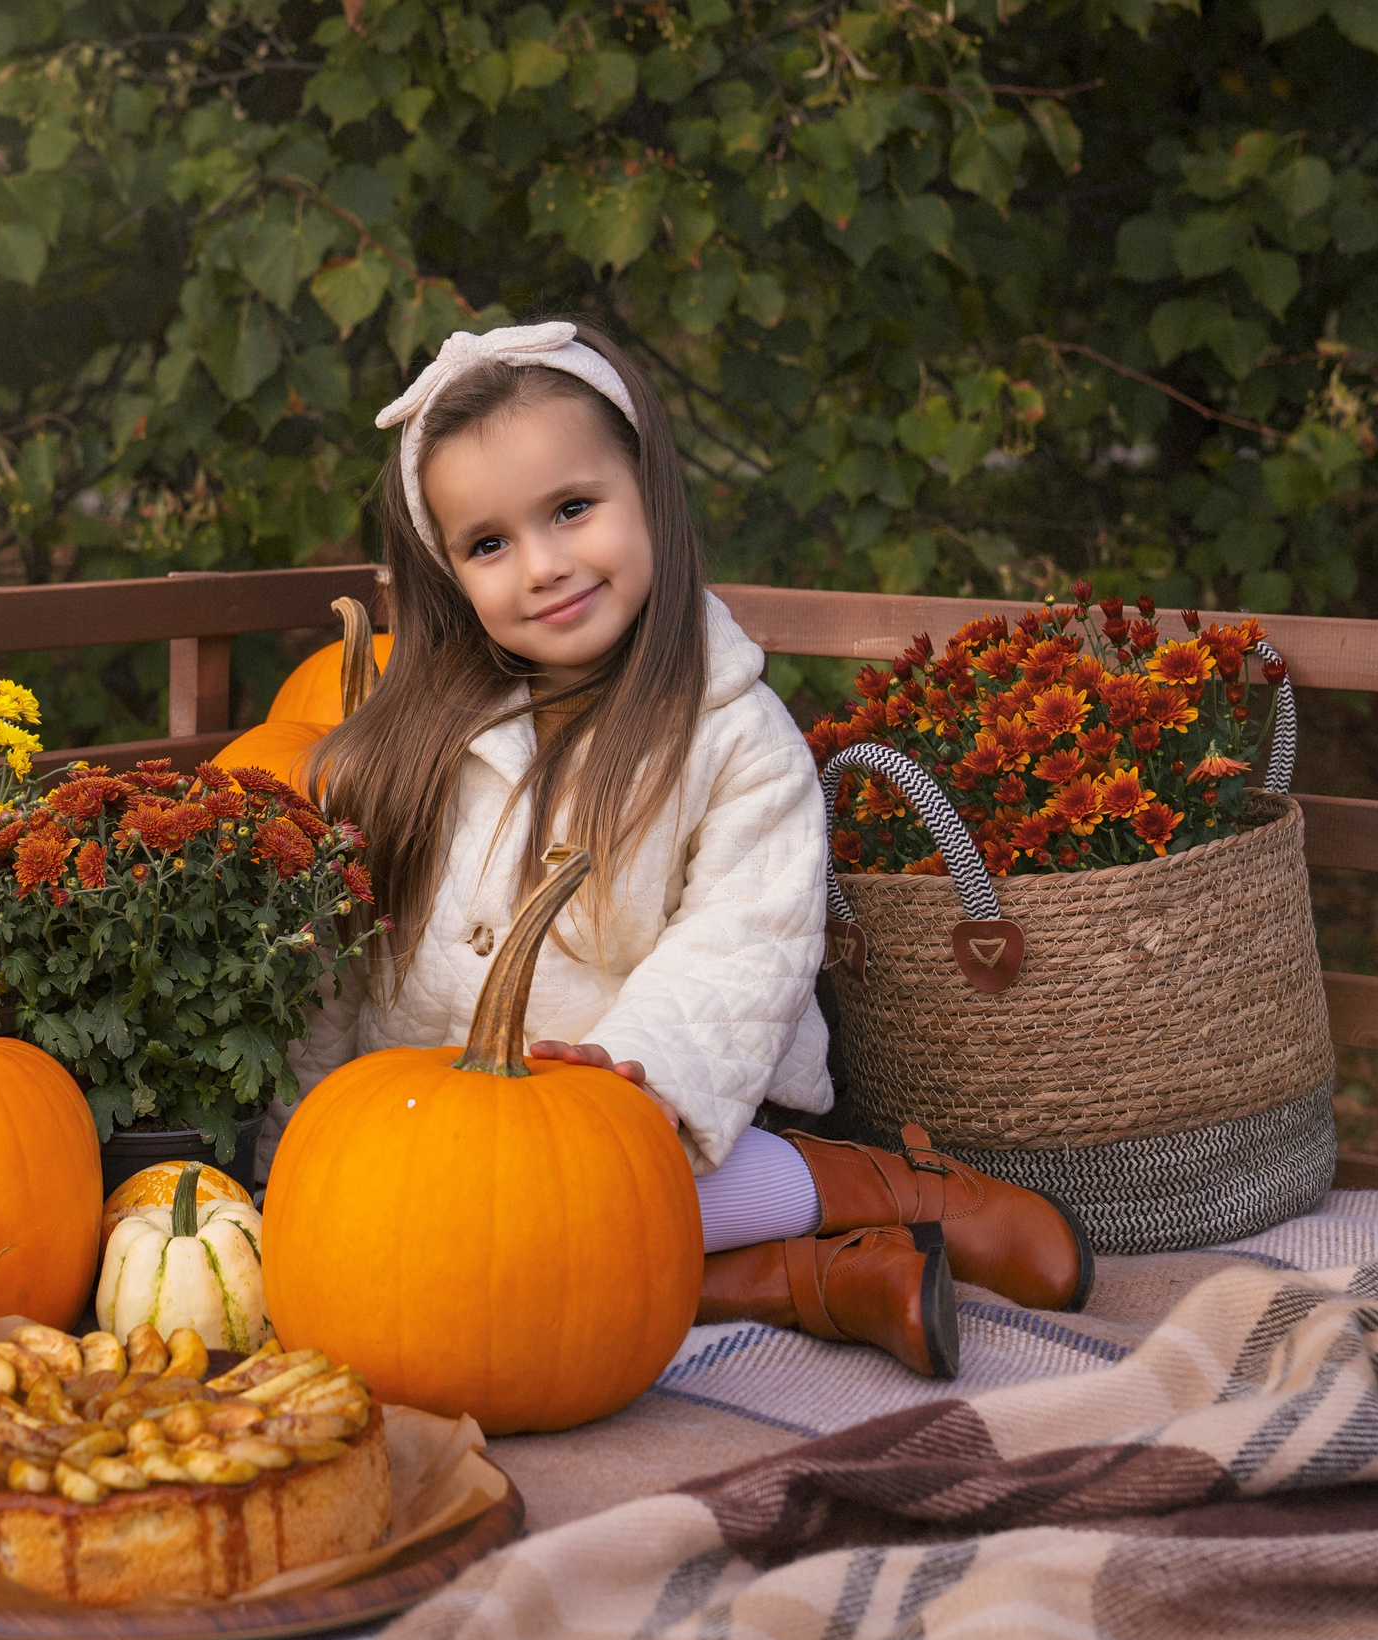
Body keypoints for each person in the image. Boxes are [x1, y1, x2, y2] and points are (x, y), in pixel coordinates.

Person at [286, 320, 1089, 1378]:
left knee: (563, 1220)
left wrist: (640, 1078)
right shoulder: (400, 746)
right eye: (489, 544)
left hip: (651, 1112)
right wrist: (290, 1149)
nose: (544, 566)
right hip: (431, 1130)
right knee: (435, 1266)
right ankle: (819, 1280)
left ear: (648, 492)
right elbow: (338, 968)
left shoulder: (733, 738)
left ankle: (874, 1189)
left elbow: (742, 941)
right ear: (448, 572)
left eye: (572, 509)